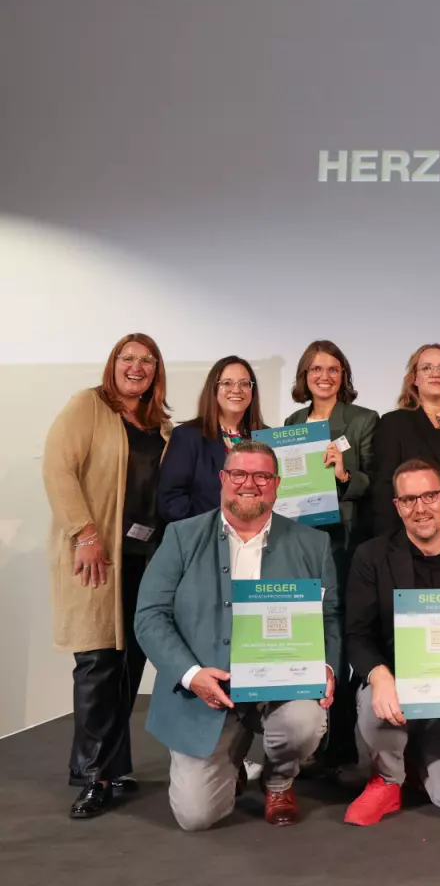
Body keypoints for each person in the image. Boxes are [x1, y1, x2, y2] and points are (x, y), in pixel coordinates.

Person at [134, 440, 340, 831]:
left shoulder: (313, 544)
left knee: (305, 721)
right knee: (197, 817)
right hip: (208, 693)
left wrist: (326, 667)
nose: (250, 483)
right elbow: (150, 616)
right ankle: (233, 761)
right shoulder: (181, 537)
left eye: (262, 475)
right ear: (222, 479)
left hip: (282, 686)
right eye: (239, 474)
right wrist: (192, 675)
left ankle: (278, 780)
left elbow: (328, 615)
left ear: (277, 484)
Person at [42, 333, 172, 819]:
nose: (137, 367)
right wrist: (84, 532)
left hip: (145, 560)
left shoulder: (161, 427)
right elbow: (58, 469)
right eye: (128, 358)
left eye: (147, 360)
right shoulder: (88, 406)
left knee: (128, 666)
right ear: (113, 363)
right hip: (97, 556)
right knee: (97, 664)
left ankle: (116, 767)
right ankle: (93, 776)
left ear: (156, 371)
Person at [343, 458, 440, 825]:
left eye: (429, 496)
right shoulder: (371, 556)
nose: (420, 508)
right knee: (374, 702)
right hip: (396, 687)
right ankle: (387, 776)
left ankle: (415, 757)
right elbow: (357, 634)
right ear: (397, 507)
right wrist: (379, 675)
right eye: (409, 500)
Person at [284, 339, 379, 772]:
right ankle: (308, 741)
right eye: (316, 369)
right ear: (304, 377)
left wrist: (343, 474)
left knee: (337, 635)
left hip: (343, 543)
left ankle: (340, 745)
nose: (324, 377)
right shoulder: (292, 423)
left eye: (333, 369)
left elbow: (374, 481)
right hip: (299, 543)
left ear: (344, 376)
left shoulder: (362, 420)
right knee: (306, 635)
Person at [372, 344, 440, 536]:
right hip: (412, 534)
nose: (435, 373)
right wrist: (390, 541)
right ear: (414, 378)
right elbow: (383, 489)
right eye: (427, 368)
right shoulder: (395, 422)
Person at [158, 356, 266, 523]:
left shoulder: (267, 438)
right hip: (204, 535)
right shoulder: (187, 436)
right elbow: (171, 500)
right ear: (213, 389)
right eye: (227, 383)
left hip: (259, 535)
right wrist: (208, 529)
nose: (236, 389)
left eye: (244, 383)